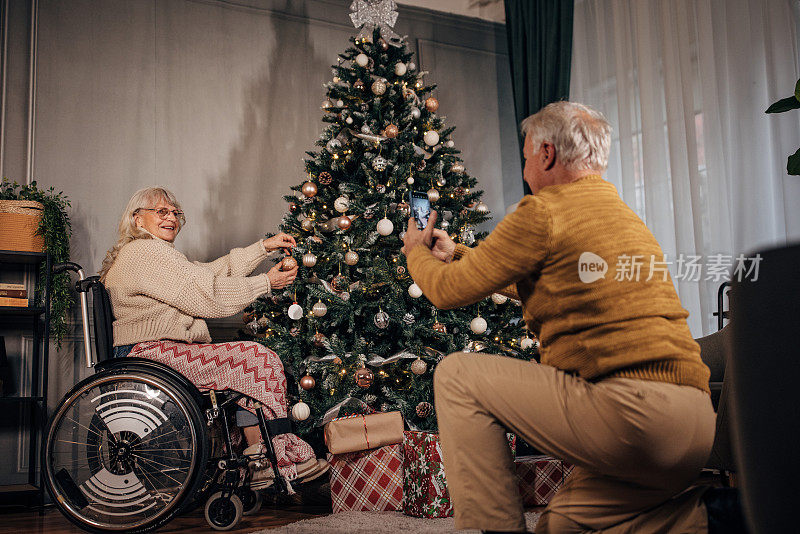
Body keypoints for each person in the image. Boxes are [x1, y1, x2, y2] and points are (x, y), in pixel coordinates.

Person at [401, 102, 719, 533]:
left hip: (632, 416)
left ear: (546, 154)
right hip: (696, 424)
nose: (526, 166)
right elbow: (551, 281)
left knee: (457, 376)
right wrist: (457, 252)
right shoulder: (623, 216)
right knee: (565, 524)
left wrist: (415, 251)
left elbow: (445, 290)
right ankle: (710, 521)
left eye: (527, 153)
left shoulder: (543, 210)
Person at [100, 186, 328, 489]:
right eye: (161, 211)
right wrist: (265, 282)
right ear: (137, 219)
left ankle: (257, 457)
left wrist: (263, 248)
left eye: (175, 212)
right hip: (150, 355)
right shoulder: (145, 252)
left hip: (155, 352)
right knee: (256, 358)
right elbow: (206, 295)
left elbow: (208, 275)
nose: (171, 217)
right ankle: (267, 457)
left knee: (247, 365)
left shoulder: (151, 253)